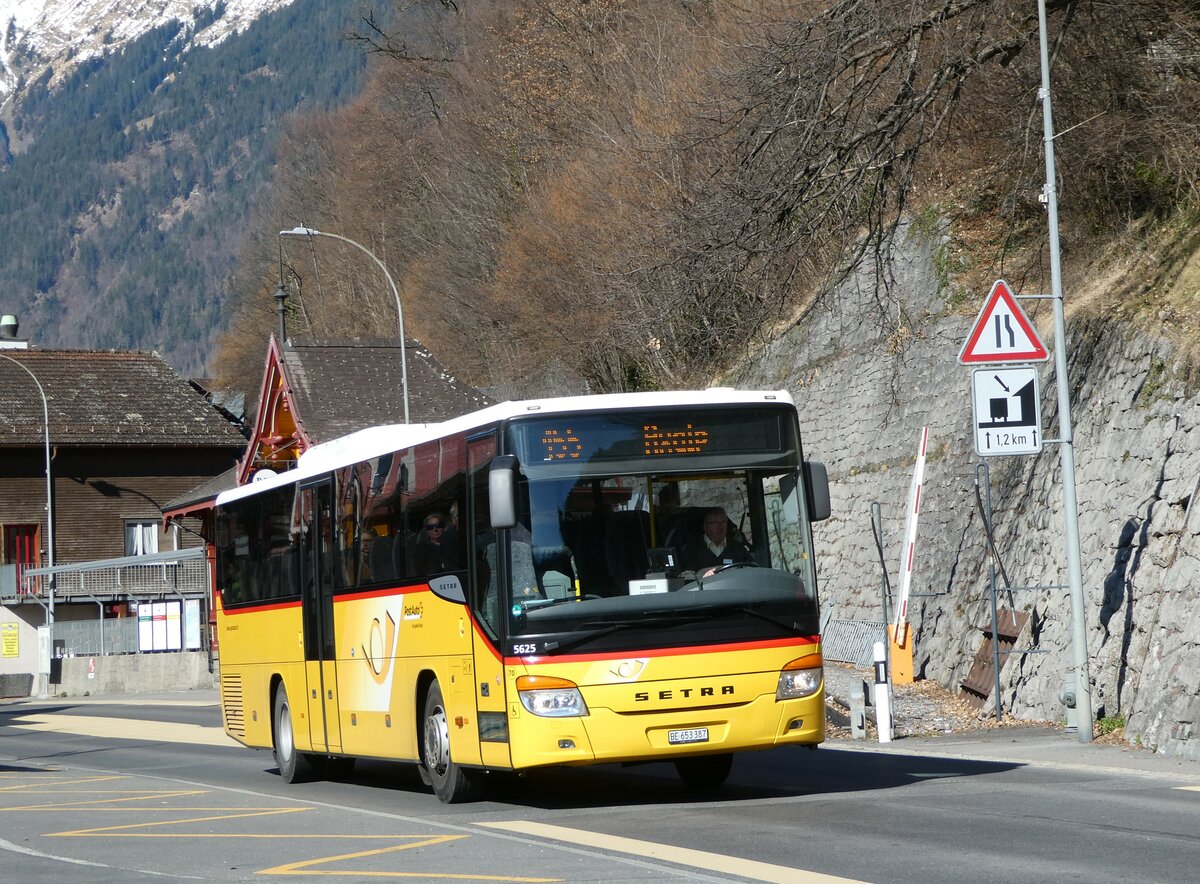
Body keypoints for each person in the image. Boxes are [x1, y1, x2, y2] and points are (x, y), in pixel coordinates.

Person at [679, 506, 750, 576]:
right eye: (714, 523)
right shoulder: (692, 549)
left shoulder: (738, 548)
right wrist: (702, 575)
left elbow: (750, 570)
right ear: (705, 526)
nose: (720, 526)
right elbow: (685, 576)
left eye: (723, 522)